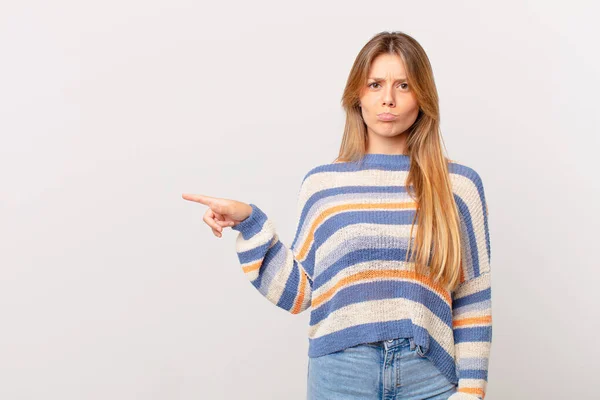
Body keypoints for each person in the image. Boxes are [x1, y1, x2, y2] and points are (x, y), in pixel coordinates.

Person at [182, 31, 492, 400]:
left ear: (422, 97)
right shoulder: (323, 184)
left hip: (427, 374)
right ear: (357, 96)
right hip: (341, 373)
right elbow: (300, 293)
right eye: (375, 84)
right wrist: (250, 221)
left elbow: (473, 295)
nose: (388, 99)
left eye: (404, 85)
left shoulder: (459, 185)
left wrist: (472, 392)